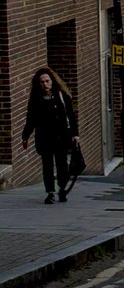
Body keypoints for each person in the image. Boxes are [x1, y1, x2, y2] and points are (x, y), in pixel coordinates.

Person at [21, 67, 80, 205]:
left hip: (61, 136)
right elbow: (31, 120)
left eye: (47, 81)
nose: (45, 84)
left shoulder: (62, 96)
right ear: (38, 84)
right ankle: (50, 192)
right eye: (42, 82)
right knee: (47, 165)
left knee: (62, 165)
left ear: (52, 81)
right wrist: (25, 136)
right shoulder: (35, 100)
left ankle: (62, 188)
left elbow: (71, 116)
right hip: (44, 137)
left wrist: (75, 135)